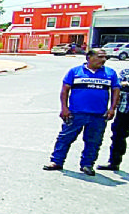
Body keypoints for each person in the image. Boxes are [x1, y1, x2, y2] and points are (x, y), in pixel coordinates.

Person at [44, 48, 119, 176]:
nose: (104, 60)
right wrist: (64, 108)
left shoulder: (110, 73)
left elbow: (115, 91)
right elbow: (65, 90)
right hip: (76, 113)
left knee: (94, 141)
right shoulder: (75, 72)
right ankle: (56, 161)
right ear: (89, 57)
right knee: (65, 138)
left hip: (99, 115)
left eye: (105, 57)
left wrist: (112, 108)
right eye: (100, 57)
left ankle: (87, 164)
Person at [99, 65, 129, 171]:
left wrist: (126, 85)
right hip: (124, 109)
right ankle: (114, 163)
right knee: (117, 137)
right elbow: (116, 86)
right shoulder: (126, 71)